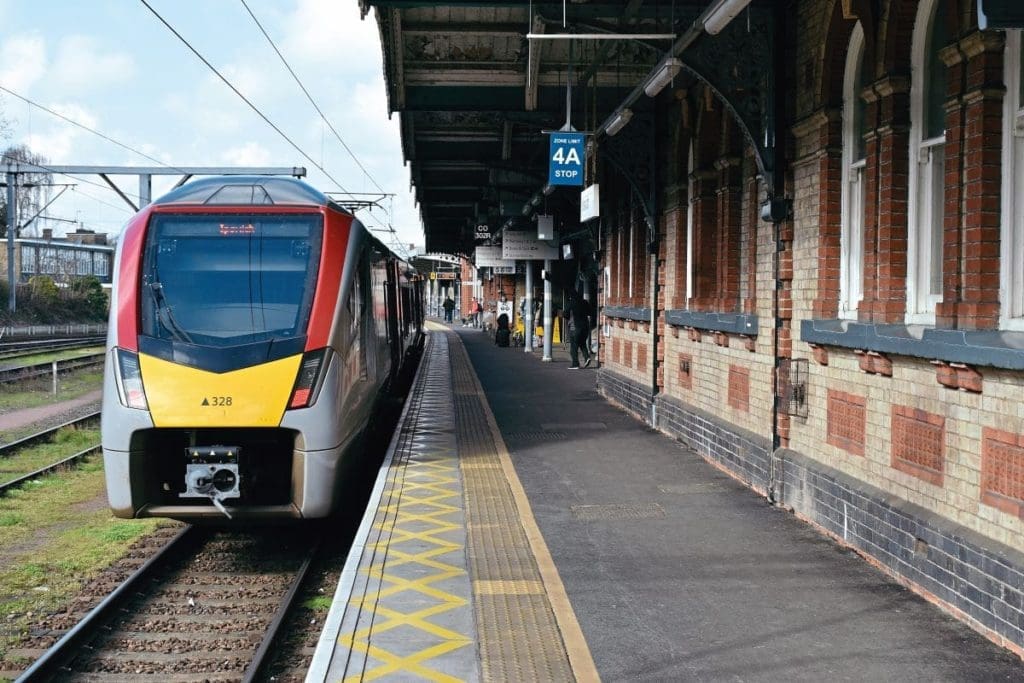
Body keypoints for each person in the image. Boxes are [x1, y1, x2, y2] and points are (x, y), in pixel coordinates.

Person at [565, 292, 593, 369]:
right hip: (585, 328)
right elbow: (590, 312)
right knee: (582, 343)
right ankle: (587, 357)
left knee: (573, 347)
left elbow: (565, 314)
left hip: (575, 328)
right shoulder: (585, 302)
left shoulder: (571, 303)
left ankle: (575, 364)